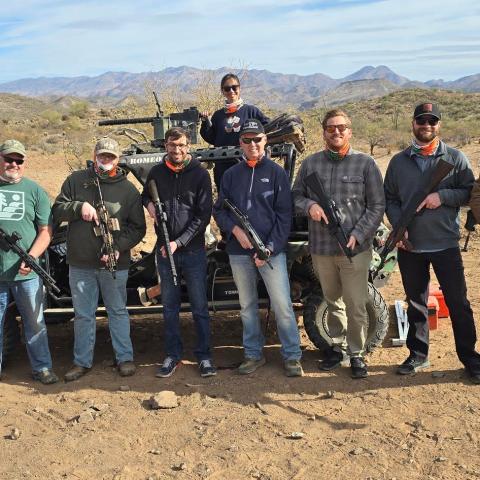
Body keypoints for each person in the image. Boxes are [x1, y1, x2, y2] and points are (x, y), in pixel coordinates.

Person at [384, 102, 480, 384]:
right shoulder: (398, 162)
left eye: (432, 121)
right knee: (416, 303)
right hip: (410, 246)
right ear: (412, 124)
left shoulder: (455, 158)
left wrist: (443, 197)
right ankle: (418, 354)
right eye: (421, 120)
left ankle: (470, 357)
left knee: (458, 303)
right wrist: (398, 227)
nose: (426, 125)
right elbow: (389, 197)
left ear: (439, 125)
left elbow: (469, 193)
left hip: (445, 244)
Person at [293, 109, 385, 379]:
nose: (336, 132)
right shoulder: (310, 164)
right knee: (332, 300)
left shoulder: (365, 164)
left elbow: (377, 205)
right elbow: (295, 195)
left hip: (355, 247)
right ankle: (337, 347)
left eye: (341, 127)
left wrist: (359, 233)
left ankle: (357, 354)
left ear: (349, 131)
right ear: (323, 132)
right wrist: (310, 205)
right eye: (331, 128)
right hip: (321, 248)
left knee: (356, 303)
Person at [213, 119, 303, 377]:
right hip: (239, 252)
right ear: (240, 143)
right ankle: (253, 355)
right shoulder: (230, 175)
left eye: (257, 139)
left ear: (265, 141)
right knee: (247, 306)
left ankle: (292, 356)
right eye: (247, 140)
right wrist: (237, 231)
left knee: (283, 305)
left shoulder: (277, 174)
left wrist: (271, 249)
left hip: (271, 252)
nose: (252, 144)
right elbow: (220, 211)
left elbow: (285, 216)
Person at [53, 137, 146, 381]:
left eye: (111, 157)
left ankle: (124, 358)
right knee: (84, 314)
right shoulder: (76, 181)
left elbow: (138, 228)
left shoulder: (128, 190)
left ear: (118, 159)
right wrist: (78, 207)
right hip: (81, 263)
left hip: (115, 264)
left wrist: (118, 247)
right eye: (102, 155)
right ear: (94, 155)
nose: (106, 160)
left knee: (118, 311)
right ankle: (81, 362)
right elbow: (58, 209)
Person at [142, 127, 216, 378]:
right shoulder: (156, 172)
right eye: (173, 146)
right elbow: (145, 195)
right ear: (166, 146)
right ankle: (172, 355)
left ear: (188, 145)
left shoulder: (200, 174)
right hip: (165, 251)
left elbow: (203, 216)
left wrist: (179, 242)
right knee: (170, 307)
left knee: (199, 307)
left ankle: (204, 356)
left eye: (182, 145)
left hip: (192, 251)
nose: (177, 150)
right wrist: (151, 205)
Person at [0, 139, 58, 384]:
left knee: (35, 322)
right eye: (9, 159)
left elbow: (46, 231)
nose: (14, 164)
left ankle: (42, 368)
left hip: (27, 273)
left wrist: (32, 256)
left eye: (19, 160)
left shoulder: (35, 191)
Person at [200, 73, 269, 190]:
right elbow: (211, 137)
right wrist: (205, 121)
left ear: (239, 89)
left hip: (247, 165)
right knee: (225, 200)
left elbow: (267, 127)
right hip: (222, 167)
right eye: (227, 88)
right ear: (222, 91)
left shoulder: (251, 111)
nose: (231, 91)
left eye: (234, 87)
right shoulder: (218, 115)